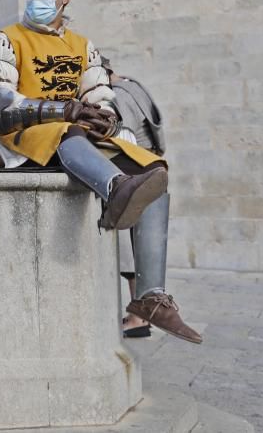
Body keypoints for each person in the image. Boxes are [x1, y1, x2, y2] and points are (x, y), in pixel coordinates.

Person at [0, 0, 200, 344]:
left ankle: (150, 298)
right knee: (68, 129)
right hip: (21, 135)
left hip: (74, 132)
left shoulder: (82, 45)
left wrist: (105, 117)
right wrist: (60, 109)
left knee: (152, 169)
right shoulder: (7, 39)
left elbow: (100, 94)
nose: (35, 0)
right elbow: (0, 103)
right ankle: (116, 190)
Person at [102, 56, 170, 338]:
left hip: (136, 173)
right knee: (147, 248)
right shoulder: (135, 86)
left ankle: (138, 318)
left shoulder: (117, 95)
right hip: (153, 167)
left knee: (132, 252)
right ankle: (143, 313)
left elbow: (124, 136)